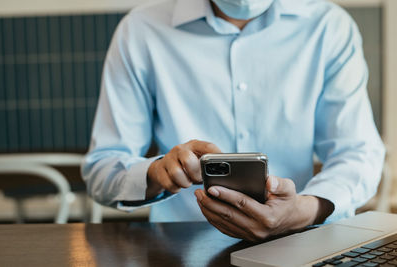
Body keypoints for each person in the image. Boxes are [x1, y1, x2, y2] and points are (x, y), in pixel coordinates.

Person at [82, 0, 385, 241]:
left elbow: (358, 153)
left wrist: (305, 209)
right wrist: (158, 173)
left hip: (298, 245)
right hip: (178, 250)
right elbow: (102, 168)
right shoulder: (140, 31)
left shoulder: (329, 27)